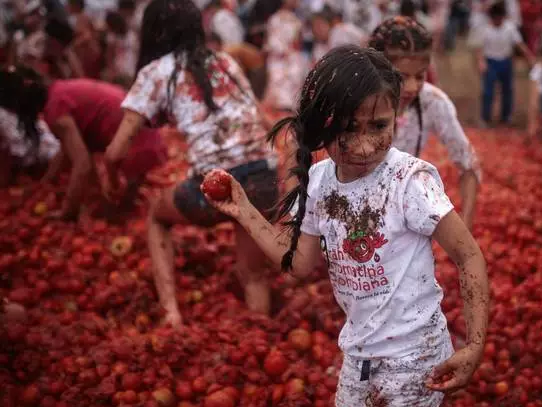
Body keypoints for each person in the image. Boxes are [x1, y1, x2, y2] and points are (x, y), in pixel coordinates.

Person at [205, 45, 489, 407]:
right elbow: (299, 264)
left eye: (379, 126)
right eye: (349, 129)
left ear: (395, 117)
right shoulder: (319, 183)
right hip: (360, 347)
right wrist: (244, 211)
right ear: (322, 125)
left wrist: (474, 344)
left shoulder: (408, 181)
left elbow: (468, 255)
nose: (366, 145)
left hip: (412, 349)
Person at [103, 0, 277, 327]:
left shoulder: (156, 72)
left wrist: (111, 178)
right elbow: (264, 121)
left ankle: (171, 313)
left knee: (157, 214)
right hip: (264, 176)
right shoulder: (223, 60)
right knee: (253, 274)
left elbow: (115, 152)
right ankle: (260, 334)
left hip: (218, 185)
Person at [0, 66, 166, 220]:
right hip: (145, 134)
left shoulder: (55, 110)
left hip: (134, 145)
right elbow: (67, 149)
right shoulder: (59, 90)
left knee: (114, 216)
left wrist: (68, 211)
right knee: (122, 210)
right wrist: (46, 182)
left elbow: (82, 164)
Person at [369, 17, 481, 228]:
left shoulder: (432, 102)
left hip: (401, 207)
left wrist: (465, 230)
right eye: (402, 77)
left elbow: (468, 165)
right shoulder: (356, 98)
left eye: (420, 77)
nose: (412, 87)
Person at [469, 1, 535, 127]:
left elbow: (519, 44)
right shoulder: (485, 29)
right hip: (491, 62)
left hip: (506, 61)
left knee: (507, 90)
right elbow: (479, 48)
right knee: (488, 91)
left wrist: (529, 58)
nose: (497, 21)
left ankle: (506, 116)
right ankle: (485, 117)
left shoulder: (510, 28)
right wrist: (481, 62)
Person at [262, 0, 310, 112]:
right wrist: (286, 51)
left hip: (294, 59)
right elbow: (272, 43)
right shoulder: (275, 19)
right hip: (279, 60)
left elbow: (299, 42)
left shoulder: (296, 19)